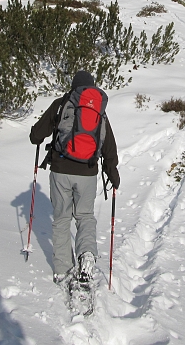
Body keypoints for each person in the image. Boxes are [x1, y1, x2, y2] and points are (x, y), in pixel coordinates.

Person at [29, 70, 120, 285]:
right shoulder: (99, 111)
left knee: (61, 219)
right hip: (88, 172)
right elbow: (109, 146)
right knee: (85, 216)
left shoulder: (62, 104)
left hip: (61, 170)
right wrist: (112, 172)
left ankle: (62, 270)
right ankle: (86, 254)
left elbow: (36, 135)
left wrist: (37, 135)